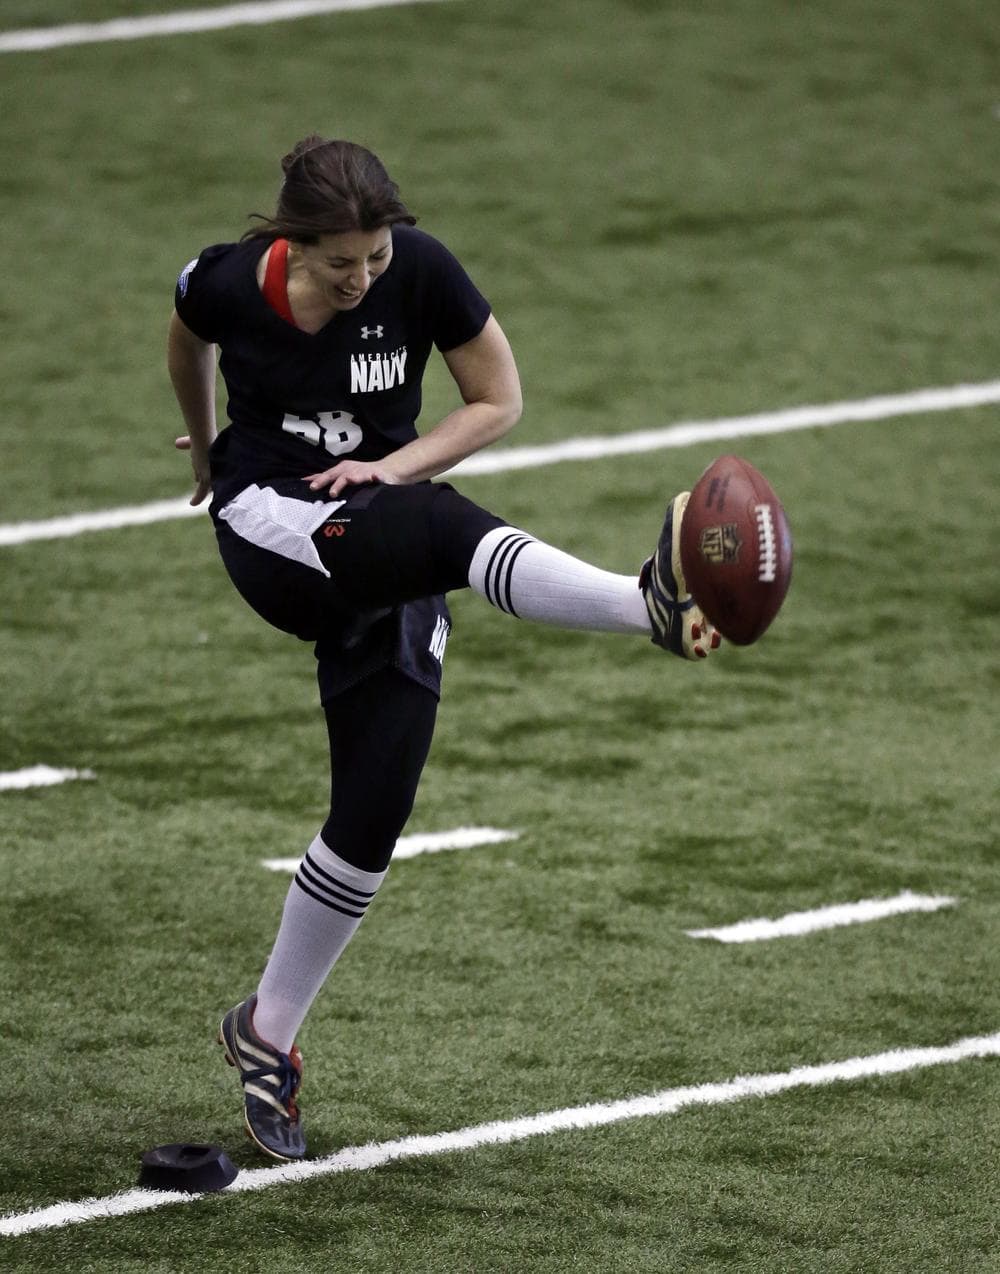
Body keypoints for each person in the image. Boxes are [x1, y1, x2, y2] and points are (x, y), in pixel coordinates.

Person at [168, 135, 720, 1163]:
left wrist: (391, 464)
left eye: (374, 255)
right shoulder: (230, 279)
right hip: (273, 524)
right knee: (440, 528)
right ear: (292, 242)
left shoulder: (418, 267)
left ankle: (266, 1032)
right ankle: (645, 605)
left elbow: (497, 399)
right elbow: (184, 333)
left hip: (376, 515)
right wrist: (204, 447)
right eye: (342, 261)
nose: (363, 275)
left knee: (373, 811)